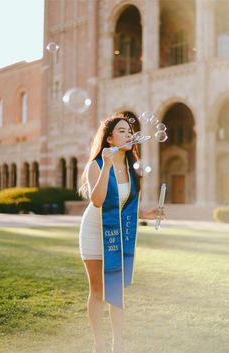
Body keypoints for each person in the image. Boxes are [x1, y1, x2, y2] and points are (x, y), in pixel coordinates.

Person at [79, 114, 164, 353]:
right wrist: (106, 164)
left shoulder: (132, 168)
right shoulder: (96, 165)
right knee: (97, 290)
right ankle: (99, 344)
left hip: (117, 231)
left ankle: (118, 345)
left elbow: (124, 206)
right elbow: (98, 201)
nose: (129, 135)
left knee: (115, 289)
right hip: (94, 231)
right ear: (109, 138)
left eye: (130, 131)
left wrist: (144, 213)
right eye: (122, 131)